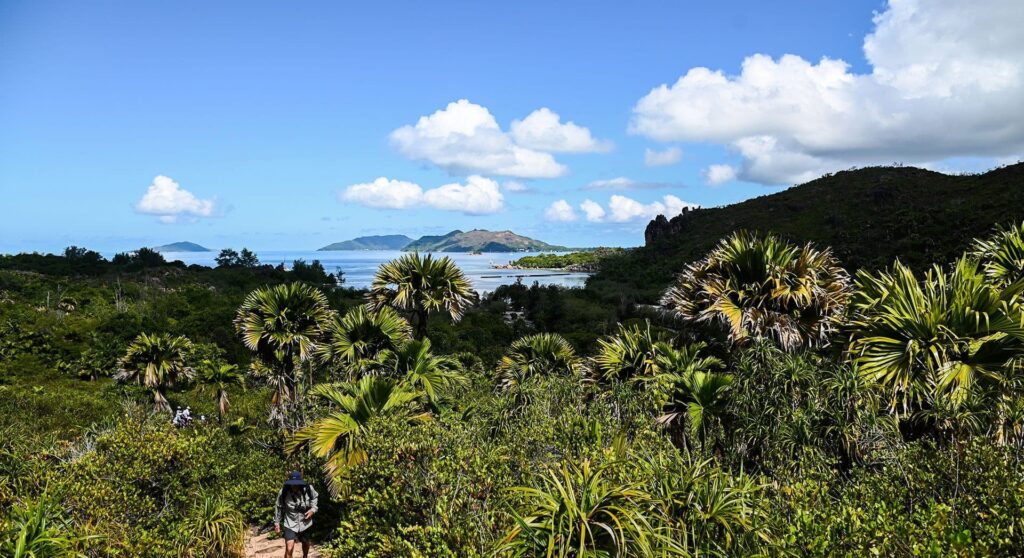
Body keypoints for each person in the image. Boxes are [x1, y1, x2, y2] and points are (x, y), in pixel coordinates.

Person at [273, 471, 318, 558]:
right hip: (290, 522)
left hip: (305, 522)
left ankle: (305, 556)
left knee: (305, 543)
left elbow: (315, 498)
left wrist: (313, 510)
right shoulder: (283, 492)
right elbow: (278, 507)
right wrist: (277, 522)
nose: (295, 486)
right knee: (289, 547)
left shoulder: (308, 489)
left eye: (297, 484)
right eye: (293, 484)